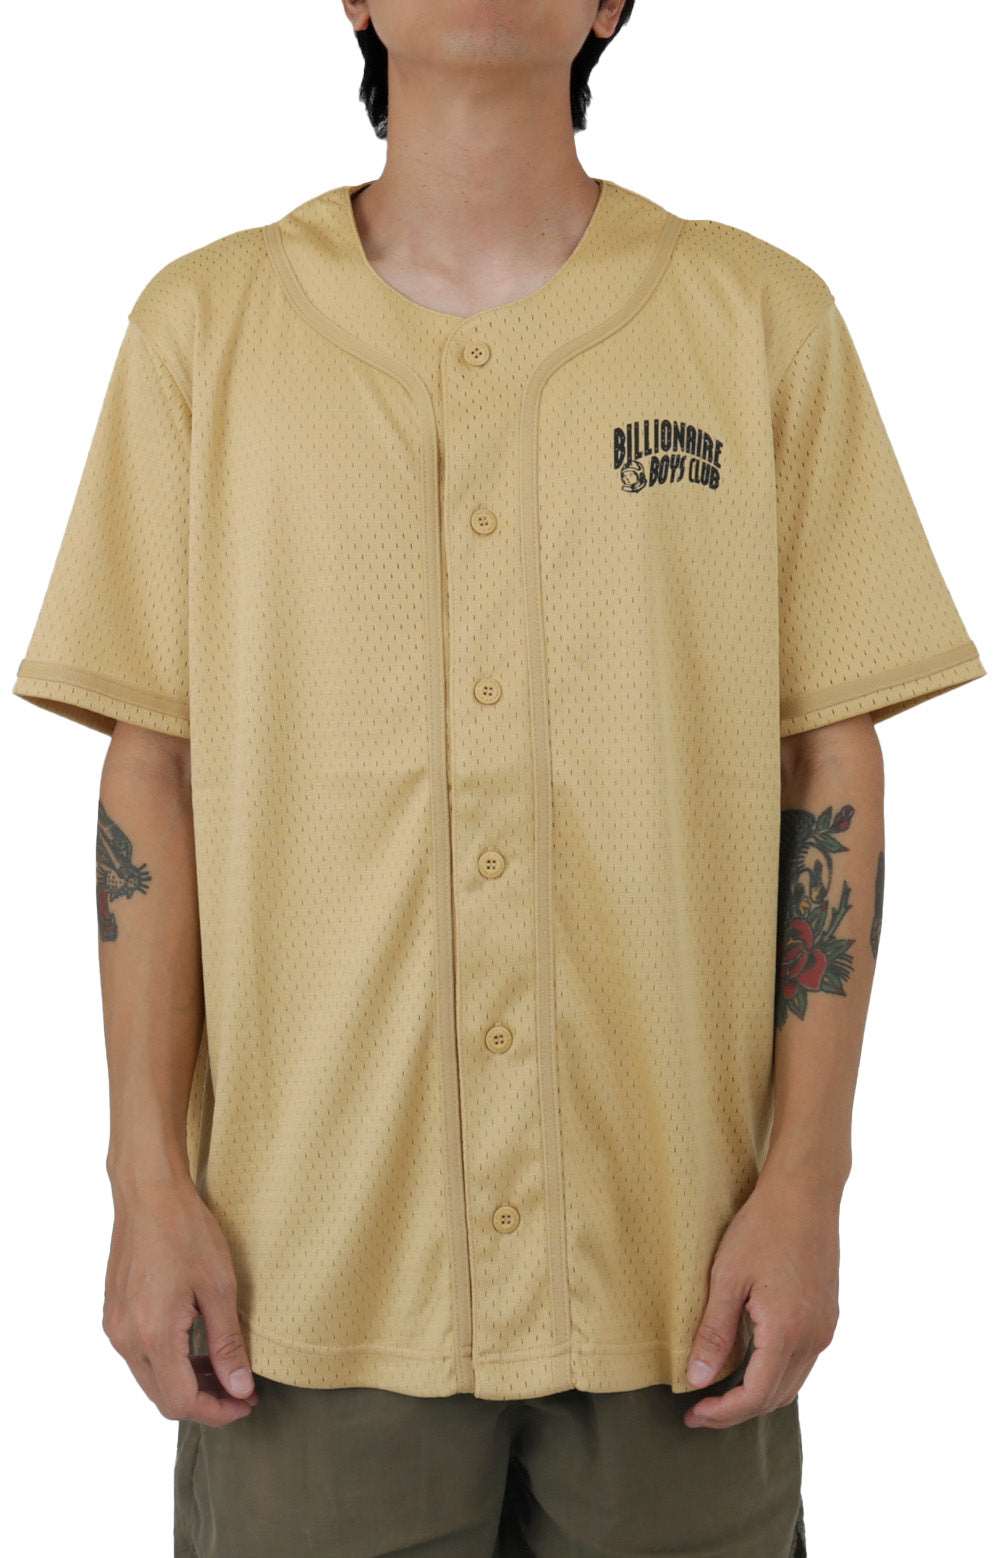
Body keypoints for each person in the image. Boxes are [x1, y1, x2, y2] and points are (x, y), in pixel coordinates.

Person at [11, 3, 987, 1554]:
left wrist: (810, 1181)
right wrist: (144, 1180)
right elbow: (152, 774)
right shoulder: (204, 333)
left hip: (680, 1278)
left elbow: (831, 764)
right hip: (305, 1280)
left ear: (611, 4)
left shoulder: (758, 322)